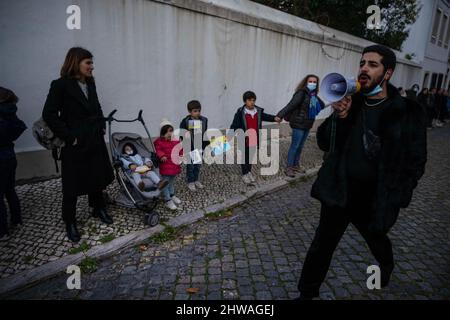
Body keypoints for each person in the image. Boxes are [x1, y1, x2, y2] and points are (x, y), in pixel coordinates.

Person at [297, 45, 427, 299]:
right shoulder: (350, 102)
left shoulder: (408, 112)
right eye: (362, 63)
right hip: (340, 191)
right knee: (321, 246)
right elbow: (324, 142)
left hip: (374, 197)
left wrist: (399, 193)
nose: (364, 69)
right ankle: (307, 294)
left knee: (376, 237)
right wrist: (338, 117)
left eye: (372, 64)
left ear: (387, 73)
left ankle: (385, 263)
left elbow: (416, 159)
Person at [42, 47, 114, 243]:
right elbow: (48, 114)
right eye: (88, 63)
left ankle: (98, 208)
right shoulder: (60, 85)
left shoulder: (90, 83)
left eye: (91, 62)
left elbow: (96, 105)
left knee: (97, 175)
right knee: (72, 184)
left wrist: (101, 125)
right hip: (74, 142)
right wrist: (69, 137)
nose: (92, 67)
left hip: (94, 138)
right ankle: (70, 221)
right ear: (76, 62)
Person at [276, 74, 325, 177]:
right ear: (306, 82)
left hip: (308, 123)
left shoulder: (313, 95)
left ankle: (295, 165)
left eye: (314, 82)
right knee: (295, 146)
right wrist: (280, 115)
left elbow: (322, 106)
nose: (312, 83)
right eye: (310, 81)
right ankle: (289, 167)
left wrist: (315, 95)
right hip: (298, 123)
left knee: (300, 146)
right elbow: (291, 105)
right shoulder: (301, 93)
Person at [230, 91, 281, 185]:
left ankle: (249, 172)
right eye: (249, 100)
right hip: (244, 139)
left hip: (254, 138)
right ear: (245, 101)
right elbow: (234, 126)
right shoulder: (240, 112)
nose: (252, 102)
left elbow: (266, 116)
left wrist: (275, 118)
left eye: (253, 100)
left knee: (251, 157)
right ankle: (244, 174)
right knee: (245, 157)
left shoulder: (258, 111)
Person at [0, 87, 27, 241]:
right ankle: (16, 220)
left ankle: (2, 231)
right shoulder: (10, 113)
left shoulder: (3, 115)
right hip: (10, 154)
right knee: (10, 189)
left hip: (2, 155)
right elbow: (19, 127)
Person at [179, 100, 208, 192]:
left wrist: (206, 144)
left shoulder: (204, 120)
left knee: (197, 165)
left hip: (199, 147)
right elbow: (182, 133)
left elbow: (204, 133)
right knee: (190, 166)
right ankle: (190, 181)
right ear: (189, 111)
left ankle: (196, 180)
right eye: (195, 111)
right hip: (190, 147)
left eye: (199, 110)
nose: (197, 113)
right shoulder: (186, 121)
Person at [154, 120, 183, 210]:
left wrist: (181, 155)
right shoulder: (159, 141)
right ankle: (167, 200)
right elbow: (157, 149)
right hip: (165, 165)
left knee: (171, 182)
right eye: (166, 132)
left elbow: (180, 148)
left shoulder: (176, 140)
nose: (169, 134)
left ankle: (171, 195)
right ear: (162, 134)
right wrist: (161, 155)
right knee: (165, 183)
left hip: (174, 165)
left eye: (171, 131)